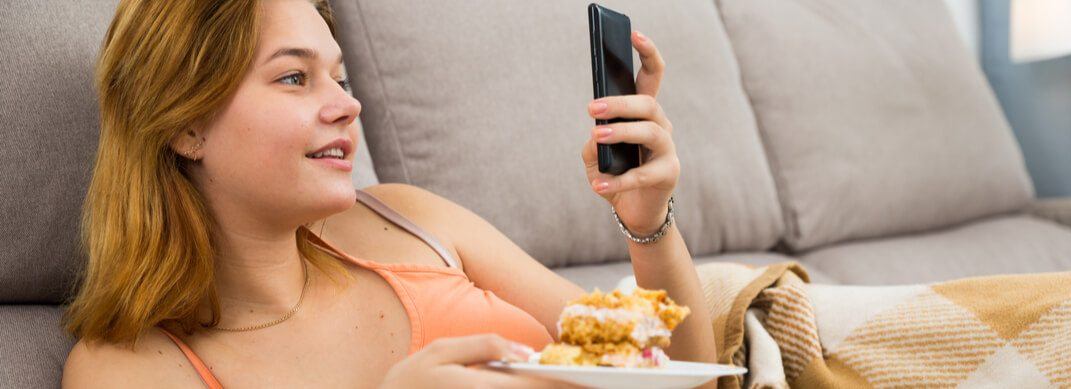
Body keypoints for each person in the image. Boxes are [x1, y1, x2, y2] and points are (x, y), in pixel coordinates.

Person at [60, 0, 715, 387]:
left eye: (340, 77)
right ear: (185, 123)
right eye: (294, 78)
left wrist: (647, 218)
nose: (348, 104)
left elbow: (676, 376)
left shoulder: (404, 216)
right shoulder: (127, 367)